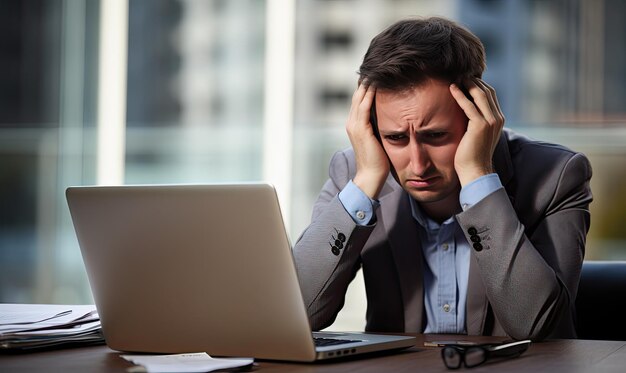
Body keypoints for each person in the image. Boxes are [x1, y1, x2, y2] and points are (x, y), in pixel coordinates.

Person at [292, 17, 592, 341]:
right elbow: (297, 315)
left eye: (435, 136)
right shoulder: (354, 176)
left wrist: (479, 179)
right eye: (395, 138)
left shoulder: (557, 177)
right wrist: (365, 183)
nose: (418, 165)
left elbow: (538, 329)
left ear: (478, 115)